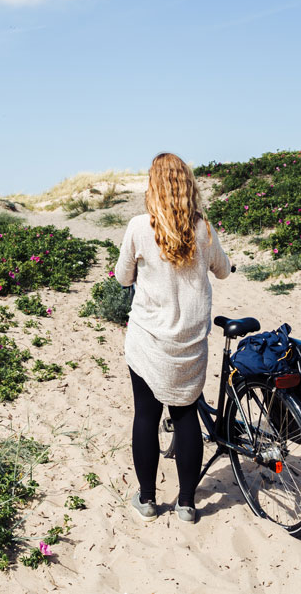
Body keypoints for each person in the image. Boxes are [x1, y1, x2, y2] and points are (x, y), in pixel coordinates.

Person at [114, 152, 232, 523]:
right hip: (190, 342)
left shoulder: (138, 226)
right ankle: (186, 504)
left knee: (146, 417)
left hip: (150, 339)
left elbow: (122, 277)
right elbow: (224, 271)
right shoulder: (202, 229)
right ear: (186, 185)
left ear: (154, 185)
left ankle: (147, 500)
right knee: (186, 417)